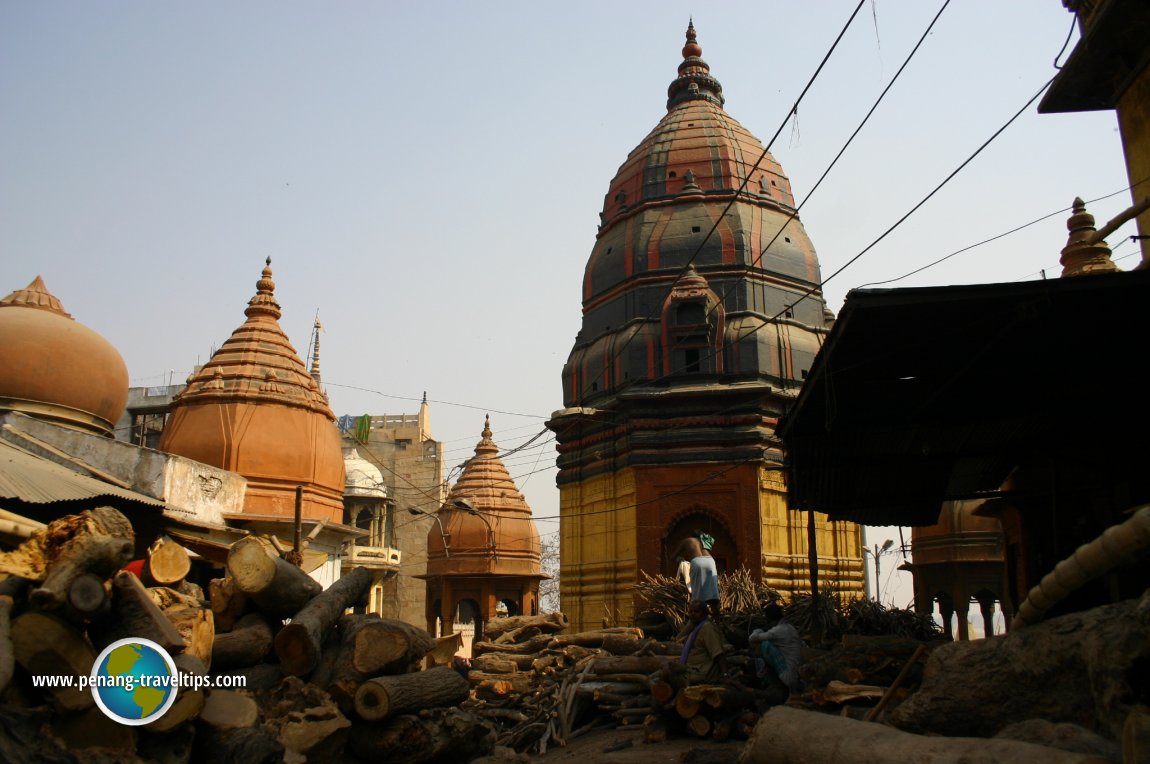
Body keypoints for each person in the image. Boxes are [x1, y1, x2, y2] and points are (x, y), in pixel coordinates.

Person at [749, 603, 804, 699]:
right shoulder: (790, 628)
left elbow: (752, 639)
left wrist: (758, 630)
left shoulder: (777, 631)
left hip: (788, 677)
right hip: (797, 674)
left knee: (765, 645)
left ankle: (767, 676)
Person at [671, 530, 720, 619]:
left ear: (692, 536)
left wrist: (679, 559)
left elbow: (673, 556)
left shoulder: (687, 540)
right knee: (713, 594)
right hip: (711, 562)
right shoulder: (703, 541)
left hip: (698, 563)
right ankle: (718, 621)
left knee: (697, 596)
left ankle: (696, 621)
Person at [678, 600, 728, 684]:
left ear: (704, 613)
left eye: (696, 611)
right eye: (691, 612)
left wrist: (725, 675)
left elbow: (718, 653)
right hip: (691, 669)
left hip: (701, 672)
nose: (693, 614)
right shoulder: (695, 629)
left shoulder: (707, 628)